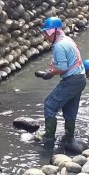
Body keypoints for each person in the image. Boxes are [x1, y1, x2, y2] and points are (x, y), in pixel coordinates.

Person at [34, 16, 86, 148]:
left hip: (72, 80)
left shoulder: (59, 45)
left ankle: (49, 138)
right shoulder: (66, 39)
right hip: (80, 78)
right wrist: (53, 69)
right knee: (70, 108)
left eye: (46, 33)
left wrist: (50, 74)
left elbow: (62, 68)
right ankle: (69, 137)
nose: (45, 36)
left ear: (54, 31)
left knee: (50, 105)